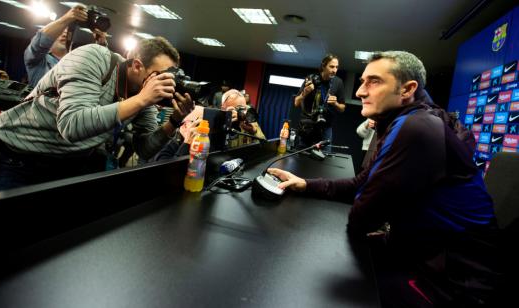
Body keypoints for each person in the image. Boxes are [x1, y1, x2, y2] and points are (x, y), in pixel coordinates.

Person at [269, 51, 502, 306]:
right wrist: (305, 184)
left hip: (452, 283)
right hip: (422, 255)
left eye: (374, 81)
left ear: (407, 90)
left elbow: (363, 216)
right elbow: (362, 184)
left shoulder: (417, 127)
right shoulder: (407, 120)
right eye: (362, 81)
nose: (359, 92)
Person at [0, 37, 194, 194]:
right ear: (136, 66)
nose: (165, 83)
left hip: (65, 167)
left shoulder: (143, 96)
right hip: (16, 157)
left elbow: (144, 148)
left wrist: (173, 121)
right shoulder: (94, 58)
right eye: (160, 75)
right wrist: (142, 99)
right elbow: (71, 125)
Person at [154, 89, 265, 160]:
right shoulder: (210, 122)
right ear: (223, 108)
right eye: (235, 109)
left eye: (243, 108)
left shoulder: (249, 123)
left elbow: (263, 148)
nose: (240, 112)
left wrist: (253, 131)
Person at [24, 4, 108, 87]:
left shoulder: (77, 63)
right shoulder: (37, 61)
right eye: (60, 32)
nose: (64, 34)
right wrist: (67, 18)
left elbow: (100, 70)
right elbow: (39, 42)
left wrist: (101, 44)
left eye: (67, 32)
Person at [294, 54, 345, 148]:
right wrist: (305, 93)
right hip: (307, 125)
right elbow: (296, 102)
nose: (334, 70)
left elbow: (342, 108)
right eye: (331, 66)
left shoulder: (338, 82)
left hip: (325, 127)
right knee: (301, 156)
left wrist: (335, 103)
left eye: (337, 67)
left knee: (324, 159)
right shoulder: (311, 79)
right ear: (323, 66)